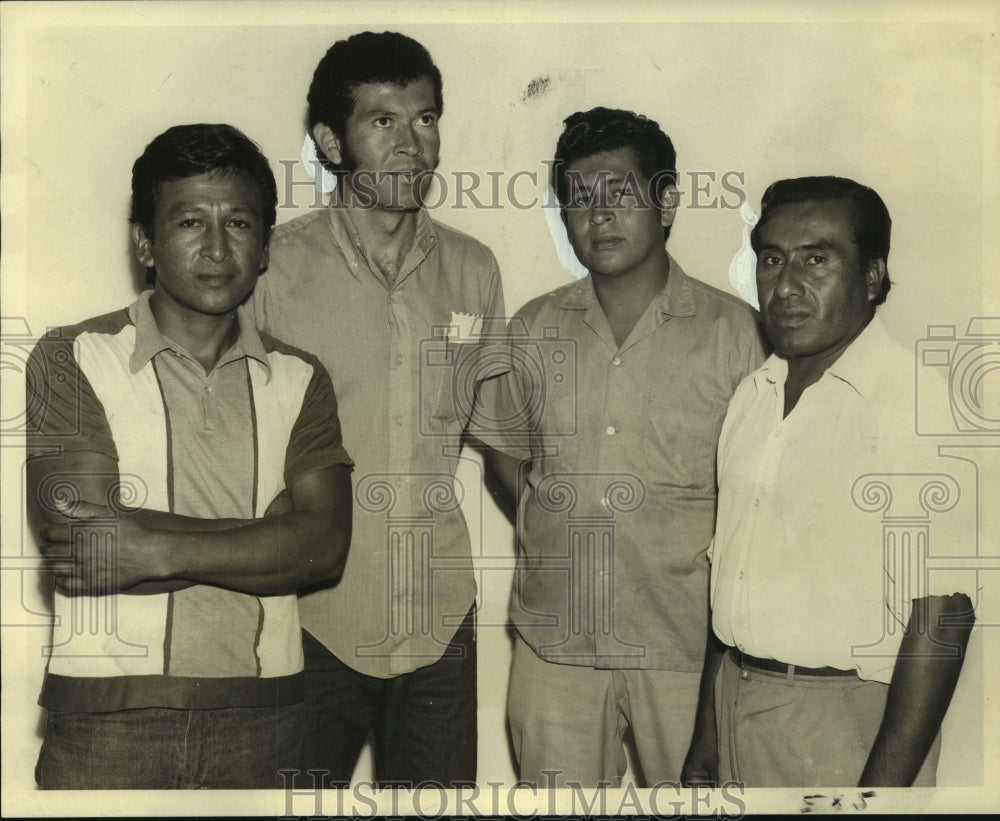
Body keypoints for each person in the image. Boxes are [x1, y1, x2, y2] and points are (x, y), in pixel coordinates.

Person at [25, 123, 354, 789]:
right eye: (188, 221)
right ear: (145, 242)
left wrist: (151, 545)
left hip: (270, 720)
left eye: (238, 222)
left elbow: (325, 546)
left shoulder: (300, 377)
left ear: (264, 247)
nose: (215, 247)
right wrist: (269, 537)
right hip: (106, 725)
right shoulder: (73, 356)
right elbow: (85, 543)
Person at [471, 107, 766, 787]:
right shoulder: (533, 327)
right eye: (579, 199)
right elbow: (504, 452)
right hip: (555, 648)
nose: (598, 215)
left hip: (688, 645)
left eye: (619, 194)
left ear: (666, 202)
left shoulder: (737, 336)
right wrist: (552, 522)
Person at [253, 31, 505, 787]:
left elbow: (497, 435)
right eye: (382, 122)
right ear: (332, 142)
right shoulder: (272, 266)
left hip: (438, 617)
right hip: (307, 621)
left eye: (424, 119)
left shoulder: (473, 267)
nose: (411, 145)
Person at [681, 176, 976, 788]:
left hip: (846, 723)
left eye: (817, 259)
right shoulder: (753, 394)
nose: (786, 286)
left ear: (872, 275)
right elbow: (732, 572)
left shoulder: (916, 405)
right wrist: (708, 735)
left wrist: (878, 797)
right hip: (736, 700)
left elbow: (940, 619)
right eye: (771, 259)